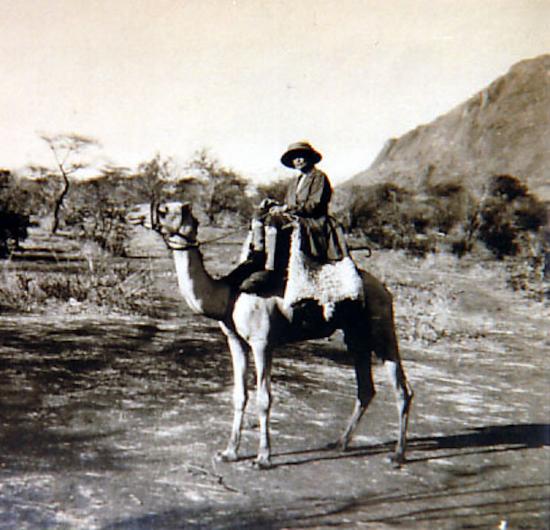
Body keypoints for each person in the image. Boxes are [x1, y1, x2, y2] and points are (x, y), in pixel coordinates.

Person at [241, 141, 347, 293]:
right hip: (296, 217)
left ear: (309, 158)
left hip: (314, 221)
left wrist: (285, 209)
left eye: (301, 156)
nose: (298, 160)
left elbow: (314, 206)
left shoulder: (319, 177)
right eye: (295, 157)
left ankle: (271, 270)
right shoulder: (294, 182)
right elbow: (288, 204)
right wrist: (274, 205)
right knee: (259, 215)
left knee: (274, 221)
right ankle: (257, 257)